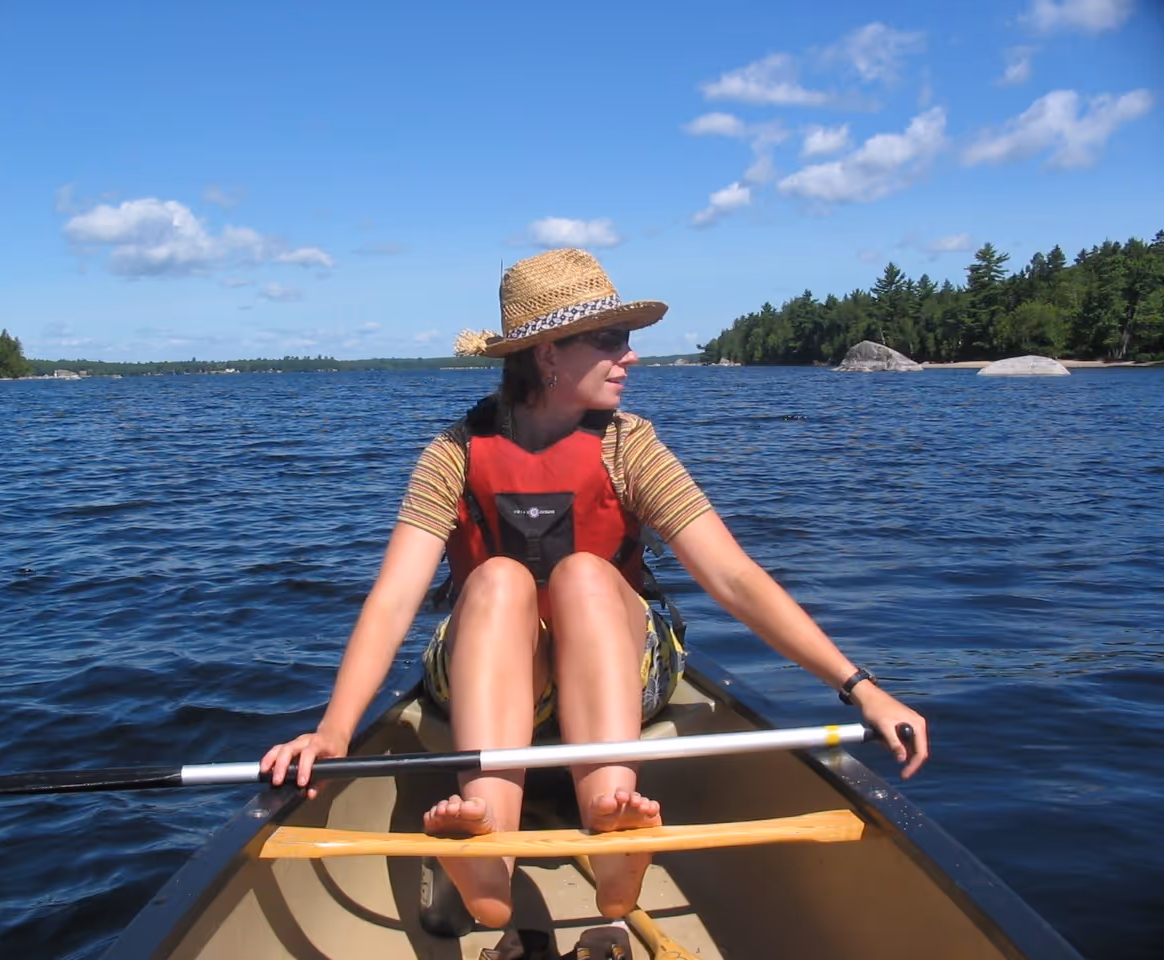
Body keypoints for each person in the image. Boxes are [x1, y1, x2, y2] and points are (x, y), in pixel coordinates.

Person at [261, 248, 929, 930]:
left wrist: (859, 686)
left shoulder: (629, 446)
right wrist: (333, 733)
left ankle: (613, 828)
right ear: (549, 354)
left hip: (618, 663)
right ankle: (488, 850)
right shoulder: (453, 454)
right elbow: (394, 598)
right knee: (495, 579)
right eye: (611, 341)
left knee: (586, 573)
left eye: (628, 340)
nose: (631, 357)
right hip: (491, 668)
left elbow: (732, 576)